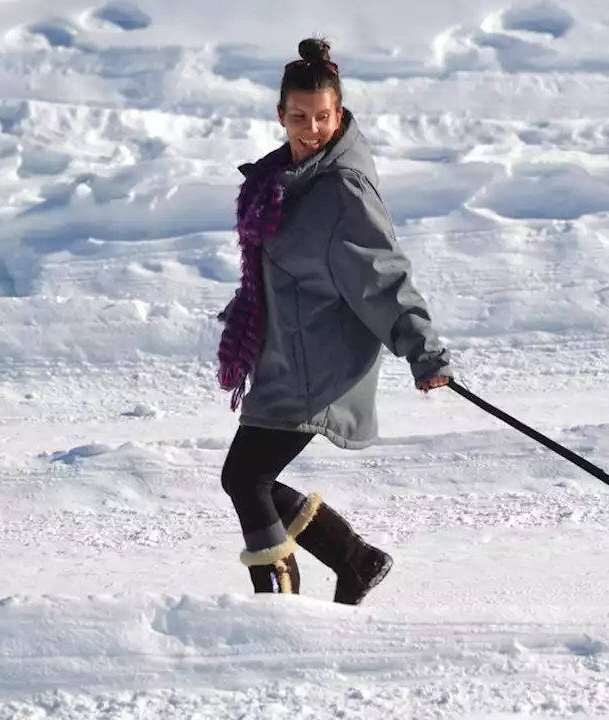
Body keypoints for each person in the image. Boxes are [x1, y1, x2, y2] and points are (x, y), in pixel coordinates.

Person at [214, 37, 452, 602]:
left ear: (338, 114)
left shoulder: (342, 189)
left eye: (323, 117)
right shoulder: (280, 180)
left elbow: (383, 274)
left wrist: (424, 352)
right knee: (250, 480)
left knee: (245, 478)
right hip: (284, 353)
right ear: (280, 115)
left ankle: (278, 609)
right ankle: (355, 559)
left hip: (318, 360)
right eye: (299, 116)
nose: (312, 128)